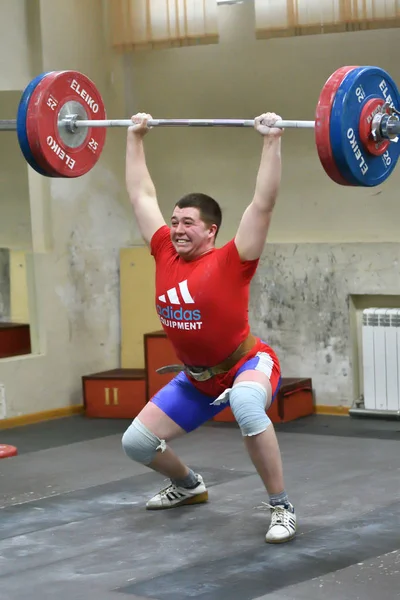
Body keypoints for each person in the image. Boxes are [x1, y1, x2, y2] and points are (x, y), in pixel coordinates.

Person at [121, 112, 297, 544]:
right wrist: (134, 137)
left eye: (187, 223)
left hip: (247, 365)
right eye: (175, 221)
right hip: (197, 381)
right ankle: (188, 485)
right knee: (137, 443)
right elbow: (142, 195)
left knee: (247, 405)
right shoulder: (163, 250)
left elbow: (263, 204)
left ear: (211, 230)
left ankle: (281, 507)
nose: (176, 229)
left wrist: (271, 141)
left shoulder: (232, 260)